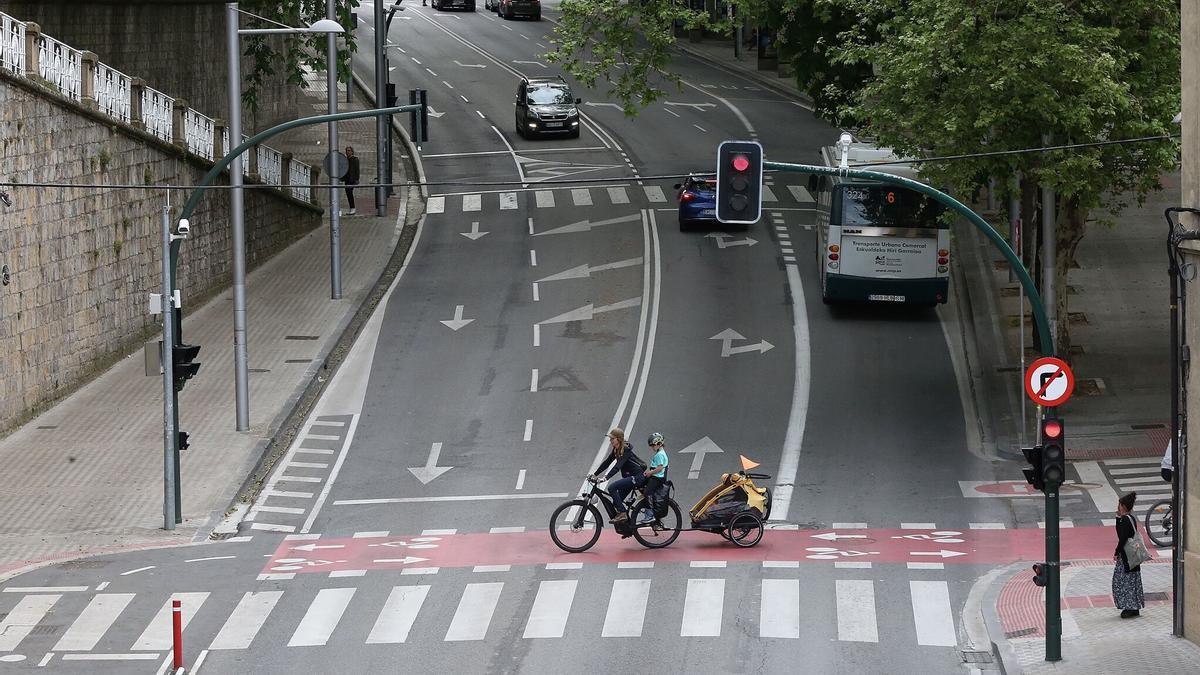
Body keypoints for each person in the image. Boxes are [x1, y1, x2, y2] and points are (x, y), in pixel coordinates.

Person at [590, 428, 646, 517]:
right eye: (610, 439)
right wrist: (595, 474)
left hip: (637, 477)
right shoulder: (616, 449)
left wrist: (606, 477)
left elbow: (617, 466)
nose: (610, 440)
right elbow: (607, 462)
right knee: (617, 502)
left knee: (612, 488)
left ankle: (623, 513)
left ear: (619, 439)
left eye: (612, 438)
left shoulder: (625, 450)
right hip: (630, 478)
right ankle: (626, 524)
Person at [1113, 491, 1146, 618]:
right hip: (1132, 556)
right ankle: (1134, 607)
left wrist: (1116, 552)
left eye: (1120, 505)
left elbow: (1122, 538)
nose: (1118, 507)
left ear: (1124, 506)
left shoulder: (1126, 520)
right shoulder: (1130, 518)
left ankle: (1130, 608)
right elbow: (1122, 535)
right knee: (1132, 581)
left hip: (1127, 557)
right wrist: (1118, 518)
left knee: (1123, 581)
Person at [636, 432, 669, 524]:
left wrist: (650, 473)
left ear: (659, 444)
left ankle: (649, 515)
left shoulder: (660, 455)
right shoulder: (660, 453)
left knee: (647, 492)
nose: (652, 447)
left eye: (653, 445)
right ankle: (646, 504)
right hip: (656, 476)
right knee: (641, 483)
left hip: (657, 478)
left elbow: (660, 468)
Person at [343, 146, 360, 215]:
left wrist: (356, 179)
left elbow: (357, 170)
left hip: (352, 179)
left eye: (349, 150)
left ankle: (352, 208)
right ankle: (352, 208)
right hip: (347, 179)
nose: (348, 152)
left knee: (349, 193)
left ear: (352, 152)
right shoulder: (345, 160)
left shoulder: (355, 159)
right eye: (347, 151)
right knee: (348, 193)